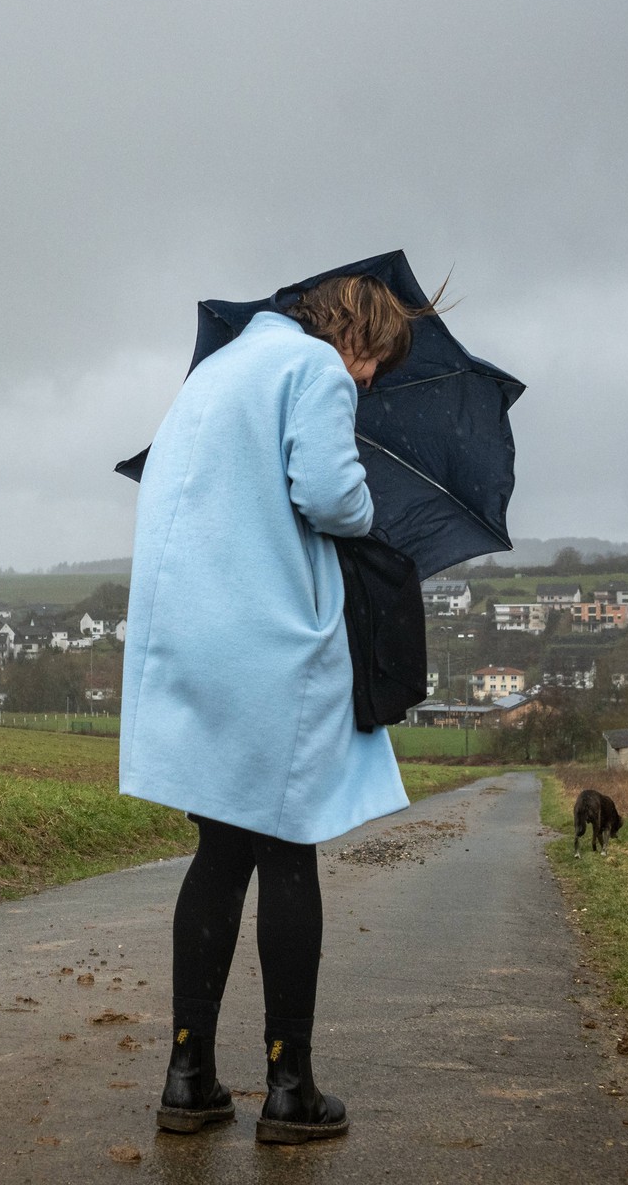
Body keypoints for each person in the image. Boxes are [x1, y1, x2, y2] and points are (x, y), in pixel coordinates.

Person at [118, 274, 440, 1143]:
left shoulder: (214, 374)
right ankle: (289, 1089)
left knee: (221, 849)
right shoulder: (316, 370)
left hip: (189, 639)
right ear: (354, 330)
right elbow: (331, 497)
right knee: (289, 847)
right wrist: (367, 499)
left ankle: (189, 1079)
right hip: (268, 640)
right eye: (375, 359)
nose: (368, 379)